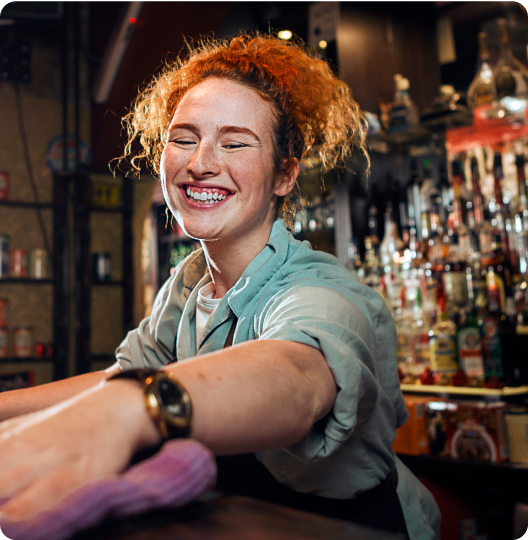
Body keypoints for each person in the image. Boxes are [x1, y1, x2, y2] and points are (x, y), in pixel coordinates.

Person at [0, 34, 440, 538]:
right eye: (184, 138)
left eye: (234, 143)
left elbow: (296, 378)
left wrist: (130, 409)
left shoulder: (322, 292)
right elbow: (121, 380)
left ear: (284, 175)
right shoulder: (187, 287)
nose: (200, 162)